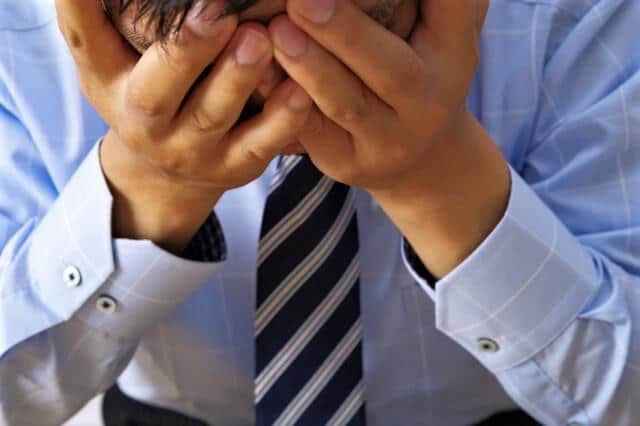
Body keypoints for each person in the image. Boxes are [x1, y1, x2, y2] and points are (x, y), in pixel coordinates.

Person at [0, 0, 639, 424]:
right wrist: (145, 189)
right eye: (213, 63)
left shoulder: (582, 15)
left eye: (329, 38)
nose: (289, 105)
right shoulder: (18, 32)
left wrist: (436, 177)